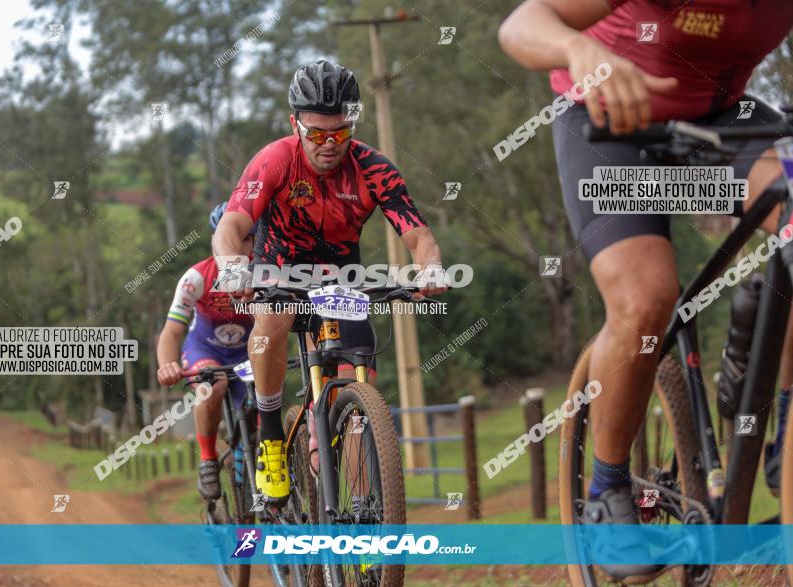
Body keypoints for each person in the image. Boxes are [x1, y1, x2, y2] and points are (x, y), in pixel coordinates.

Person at [500, 0, 793, 580]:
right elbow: (523, 23)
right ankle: (607, 492)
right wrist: (577, 47)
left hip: (723, 122)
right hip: (608, 127)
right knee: (645, 299)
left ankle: (777, 417)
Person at [212, 59, 448, 506]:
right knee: (274, 320)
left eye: (340, 133)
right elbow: (231, 226)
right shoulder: (275, 159)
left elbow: (418, 234)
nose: (329, 145)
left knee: (360, 384)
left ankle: (362, 515)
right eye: (316, 134)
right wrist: (232, 268)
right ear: (294, 124)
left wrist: (430, 267)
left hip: (341, 280)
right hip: (279, 269)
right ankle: (270, 439)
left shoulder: (374, 168)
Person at [156, 202, 256, 500]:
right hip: (204, 348)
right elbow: (172, 331)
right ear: (218, 240)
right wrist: (166, 365)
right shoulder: (196, 278)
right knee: (214, 386)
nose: (240, 246)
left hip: (248, 353)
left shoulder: (264, 274)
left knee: (263, 406)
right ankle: (208, 459)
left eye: (248, 238)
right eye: (231, 238)